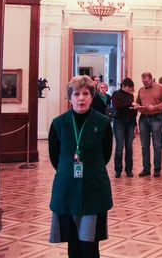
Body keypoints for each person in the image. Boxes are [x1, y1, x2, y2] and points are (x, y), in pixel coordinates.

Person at [48, 75, 113, 257]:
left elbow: (105, 154)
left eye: (85, 93)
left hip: (94, 189)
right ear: (70, 97)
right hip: (67, 189)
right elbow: (55, 158)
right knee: (73, 243)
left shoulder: (103, 123)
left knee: (90, 245)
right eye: (76, 94)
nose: (81, 98)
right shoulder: (58, 123)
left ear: (92, 97)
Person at [133, 72, 162, 178]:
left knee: (157, 145)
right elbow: (139, 103)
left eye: (147, 81)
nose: (145, 83)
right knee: (144, 145)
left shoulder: (160, 88)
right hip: (143, 119)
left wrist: (155, 107)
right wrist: (137, 106)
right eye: (143, 81)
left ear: (151, 79)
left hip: (156, 118)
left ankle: (157, 168)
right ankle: (146, 168)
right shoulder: (141, 90)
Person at [111, 78, 137, 178]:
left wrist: (135, 124)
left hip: (130, 122)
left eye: (131, 88)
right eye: (129, 87)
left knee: (129, 147)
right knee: (119, 147)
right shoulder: (116, 94)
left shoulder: (131, 96)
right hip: (119, 122)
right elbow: (117, 106)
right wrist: (130, 104)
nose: (130, 89)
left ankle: (129, 169)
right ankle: (118, 170)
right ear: (124, 86)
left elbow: (133, 112)